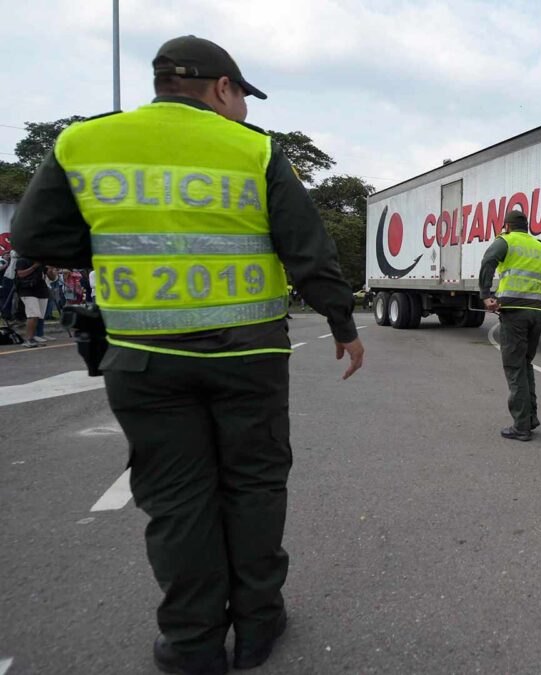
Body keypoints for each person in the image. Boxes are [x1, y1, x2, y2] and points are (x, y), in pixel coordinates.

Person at [12, 35, 365, 675]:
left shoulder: (82, 142)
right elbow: (306, 249)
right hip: (248, 356)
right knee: (255, 487)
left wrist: (122, 251)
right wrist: (343, 322)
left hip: (144, 355)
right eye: (243, 98)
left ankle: (191, 643)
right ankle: (258, 627)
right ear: (223, 88)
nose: (245, 112)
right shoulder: (255, 151)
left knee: (177, 499)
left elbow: (38, 236)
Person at [478, 210, 541, 441]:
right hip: (538, 313)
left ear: (507, 226)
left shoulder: (505, 241)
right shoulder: (540, 247)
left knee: (514, 366)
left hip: (514, 312)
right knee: (525, 363)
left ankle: (521, 427)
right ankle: (530, 418)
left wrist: (486, 294)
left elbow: (488, 261)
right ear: (526, 227)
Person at [13, 254, 57, 347]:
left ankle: (36, 336)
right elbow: (21, 274)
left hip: (41, 290)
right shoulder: (22, 260)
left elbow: (52, 278)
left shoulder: (42, 262)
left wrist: (50, 269)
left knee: (39, 315)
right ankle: (28, 339)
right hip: (27, 290)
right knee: (33, 314)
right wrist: (34, 266)